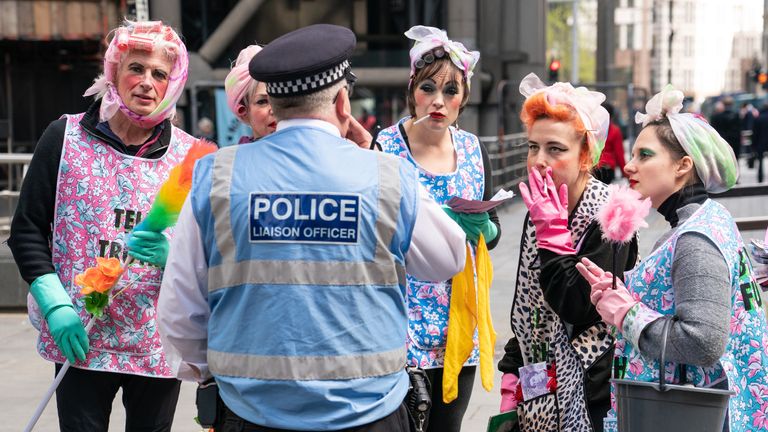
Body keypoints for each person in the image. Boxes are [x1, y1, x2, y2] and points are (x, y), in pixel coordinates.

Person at [156, 24, 469, 432]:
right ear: (343, 103)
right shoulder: (386, 176)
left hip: (250, 414)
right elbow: (450, 258)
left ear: (277, 104)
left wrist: (214, 373)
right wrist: (376, 159)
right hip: (370, 415)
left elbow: (179, 312)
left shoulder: (216, 176)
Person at [8, 20, 195, 431]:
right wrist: (56, 305)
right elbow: (26, 232)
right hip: (79, 337)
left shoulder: (188, 158)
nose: (146, 82)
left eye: (159, 74)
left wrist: (177, 257)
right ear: (114, 72)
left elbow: (209, 249)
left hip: (154, 344)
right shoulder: (64, 137)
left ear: (172, 83)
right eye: (136, 68)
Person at [577, 85, 768, 432]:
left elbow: (704, 341)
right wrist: (622, 295)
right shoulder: (706, 218)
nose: (630, 166)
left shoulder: (695, 238)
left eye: (645, 155)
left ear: (683, 166)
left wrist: (628, 315)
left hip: (694, 413)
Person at [373, 25, 499, 432]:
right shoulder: (384, 147)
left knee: (448, 425)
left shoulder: (474, 149)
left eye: (451, 92)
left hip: (457, 320)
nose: (439, 102)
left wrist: (482, 229)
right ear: (412, 91)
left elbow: (493, 227)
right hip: (398, 320)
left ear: (463, 98)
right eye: (429, 89)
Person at [497, 73, 638, 432]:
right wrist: (511, 379)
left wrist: (553, 236)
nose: (539, 160)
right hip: (539, 386)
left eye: (555, 149)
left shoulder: (610, 215)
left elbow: (578, 306)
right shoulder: (541, 206)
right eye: (533, 147)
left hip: (591, 395)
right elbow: (532, 308)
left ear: (585, 154)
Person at [224, 44, 277, 144]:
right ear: (243, 111)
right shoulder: (234, 158)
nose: (274, 109)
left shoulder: (308, 151)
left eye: (279, 99)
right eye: (262, 101)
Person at [594, 102, 626, 184]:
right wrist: (625, 173)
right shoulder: (615, 130)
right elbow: (619, 153)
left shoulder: (592, 128)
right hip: (608, 168)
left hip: (593, 166)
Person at [751, 102, 768, 182]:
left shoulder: (759, 118)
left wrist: (753, 145)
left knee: (760, 161)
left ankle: (760, 177)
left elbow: (755, 133)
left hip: (761, 143)